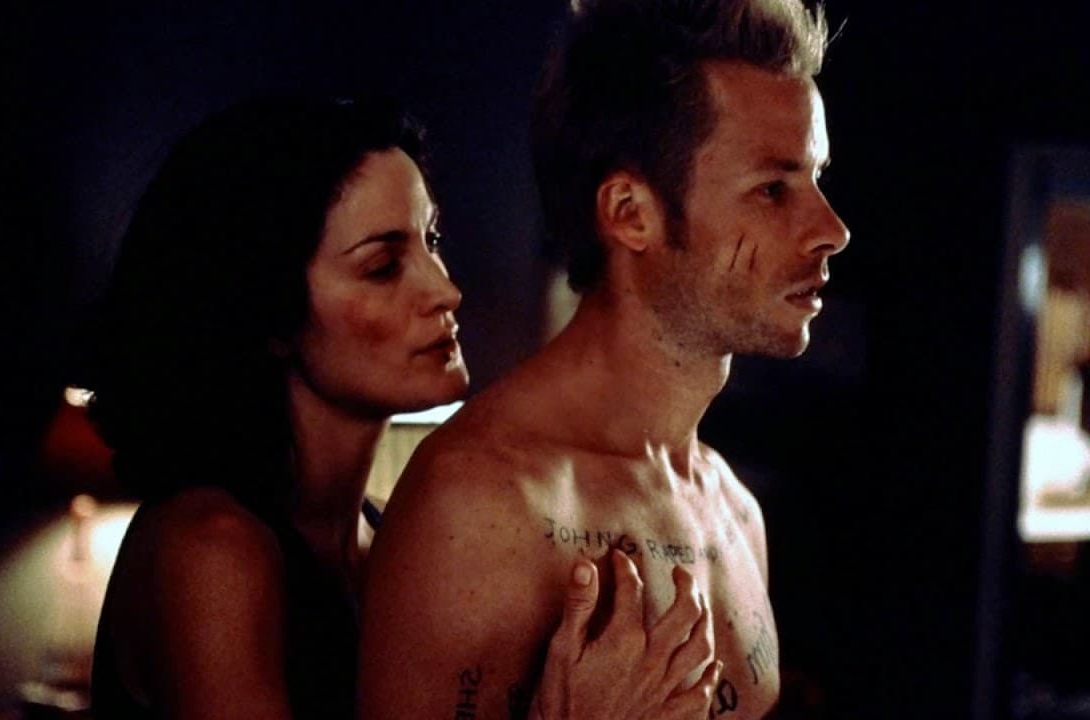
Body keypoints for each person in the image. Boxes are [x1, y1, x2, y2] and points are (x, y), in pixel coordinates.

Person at [87, 95, 722, 719]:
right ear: (269, 313)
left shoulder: (387, 538)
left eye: (432, 239)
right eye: (383, 266)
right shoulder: (208, 549)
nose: (446, 289)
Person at [358, 0, 849, 718]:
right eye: (773, 189)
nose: (831, 229)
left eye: (817, 179)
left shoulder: (732, 508)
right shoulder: (480, 507)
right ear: (629, 212)